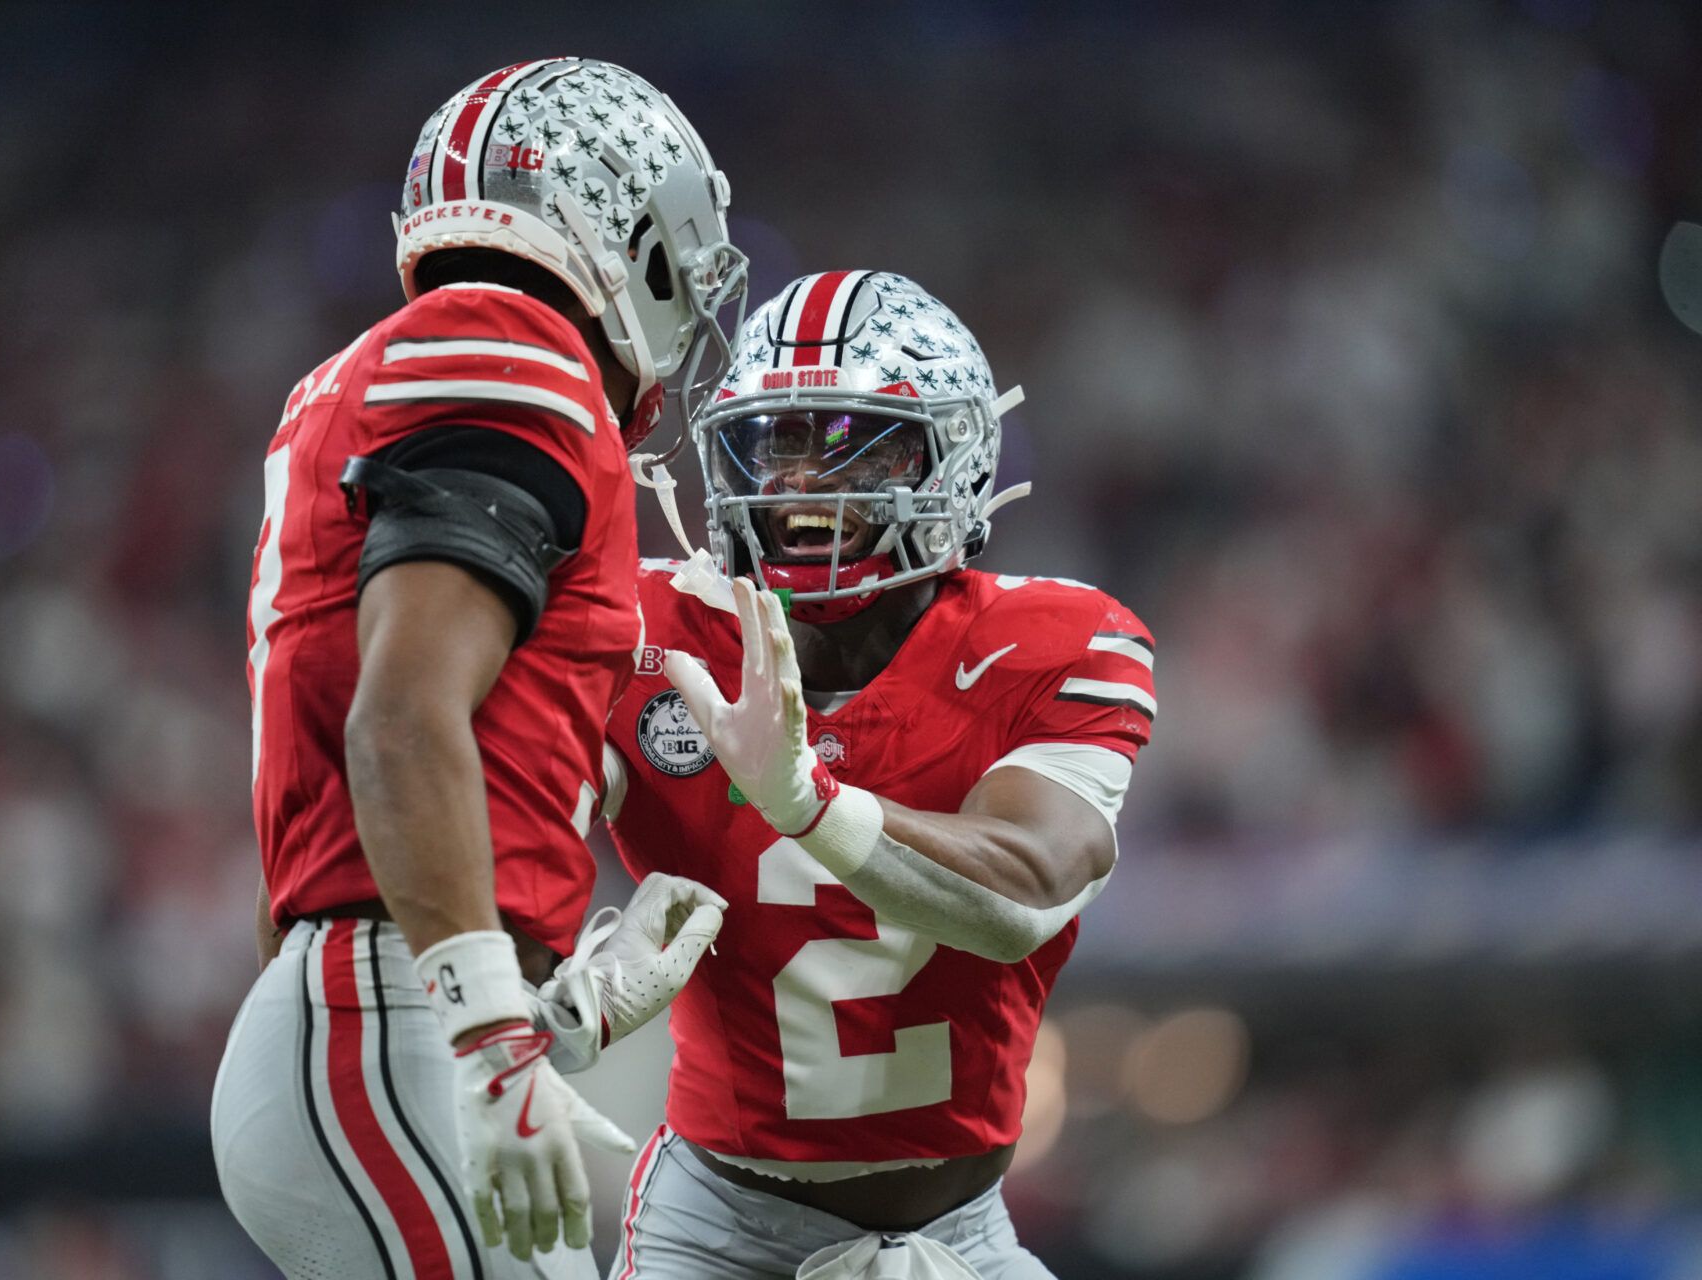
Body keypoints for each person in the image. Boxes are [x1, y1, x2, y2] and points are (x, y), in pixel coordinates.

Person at [212, 58, 747, 1278]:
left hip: (372, 1012)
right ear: (632, 238)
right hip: (389, 1019)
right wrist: (488, 1034)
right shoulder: (509, 343)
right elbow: (398, 722)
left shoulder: (360, 379)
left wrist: (544, 1005)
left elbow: (333, 822)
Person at [600, 272, 1156, 1278]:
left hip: (962, 1228)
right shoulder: (645, 634)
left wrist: (809, 804)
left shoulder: (1054, 640)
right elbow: (496, 809)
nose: (807, 480)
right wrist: (539, 1002)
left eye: (859, 438)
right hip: (718, 1224)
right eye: (781, 440)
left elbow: (1023, 893)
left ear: (953, 455)